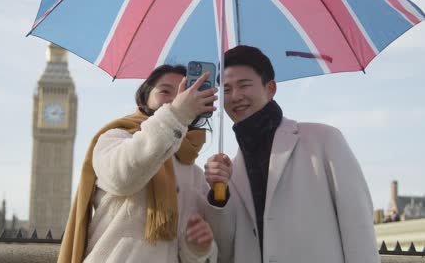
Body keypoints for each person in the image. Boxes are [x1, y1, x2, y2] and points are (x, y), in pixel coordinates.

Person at [205, 46, 380, 263]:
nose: (235, 96)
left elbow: (358, 226)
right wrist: (218, 197)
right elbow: (226, 249)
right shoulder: (228, 171)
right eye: (227, 89)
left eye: (244, 85)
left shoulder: (324, 140)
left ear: (270, 89)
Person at [58, 65, 233, 263]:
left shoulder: (195, 174)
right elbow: (122, 177)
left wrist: (199, 249)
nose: (176, 99)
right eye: (165, 91)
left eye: (182, 93)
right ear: (144, 97)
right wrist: (176, 115)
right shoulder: (115, 138)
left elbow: (194, 252)